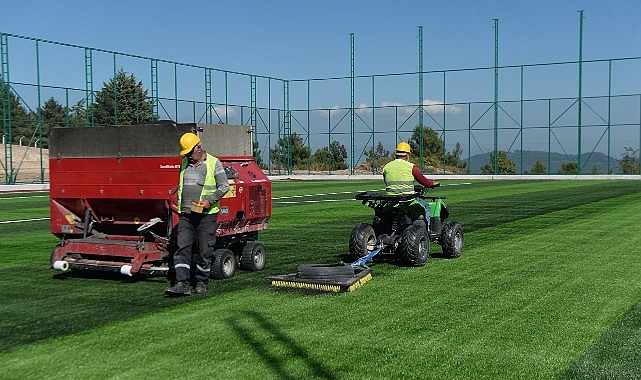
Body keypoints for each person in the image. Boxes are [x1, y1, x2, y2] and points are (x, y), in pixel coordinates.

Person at [165, 132, 230, 297]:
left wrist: (209, 200)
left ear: (198, 148)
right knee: (182, 248)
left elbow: (224, 186)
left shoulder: (214, 163)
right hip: (186, 215)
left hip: (206, 216)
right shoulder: (184, 163)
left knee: (204, 251)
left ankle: (201, 282)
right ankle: (181, 284)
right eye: (185, 153)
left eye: (189, 152)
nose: (187, 156)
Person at [382, 141, 439, 225]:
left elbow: (386, 181)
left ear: (396, 154)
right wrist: (431, 184)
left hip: (391, 199)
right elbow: (422, 180)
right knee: (426, 206)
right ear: (407, 155)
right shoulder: (411, 166)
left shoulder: (387, 166)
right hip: (408, 199)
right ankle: (428, 230)